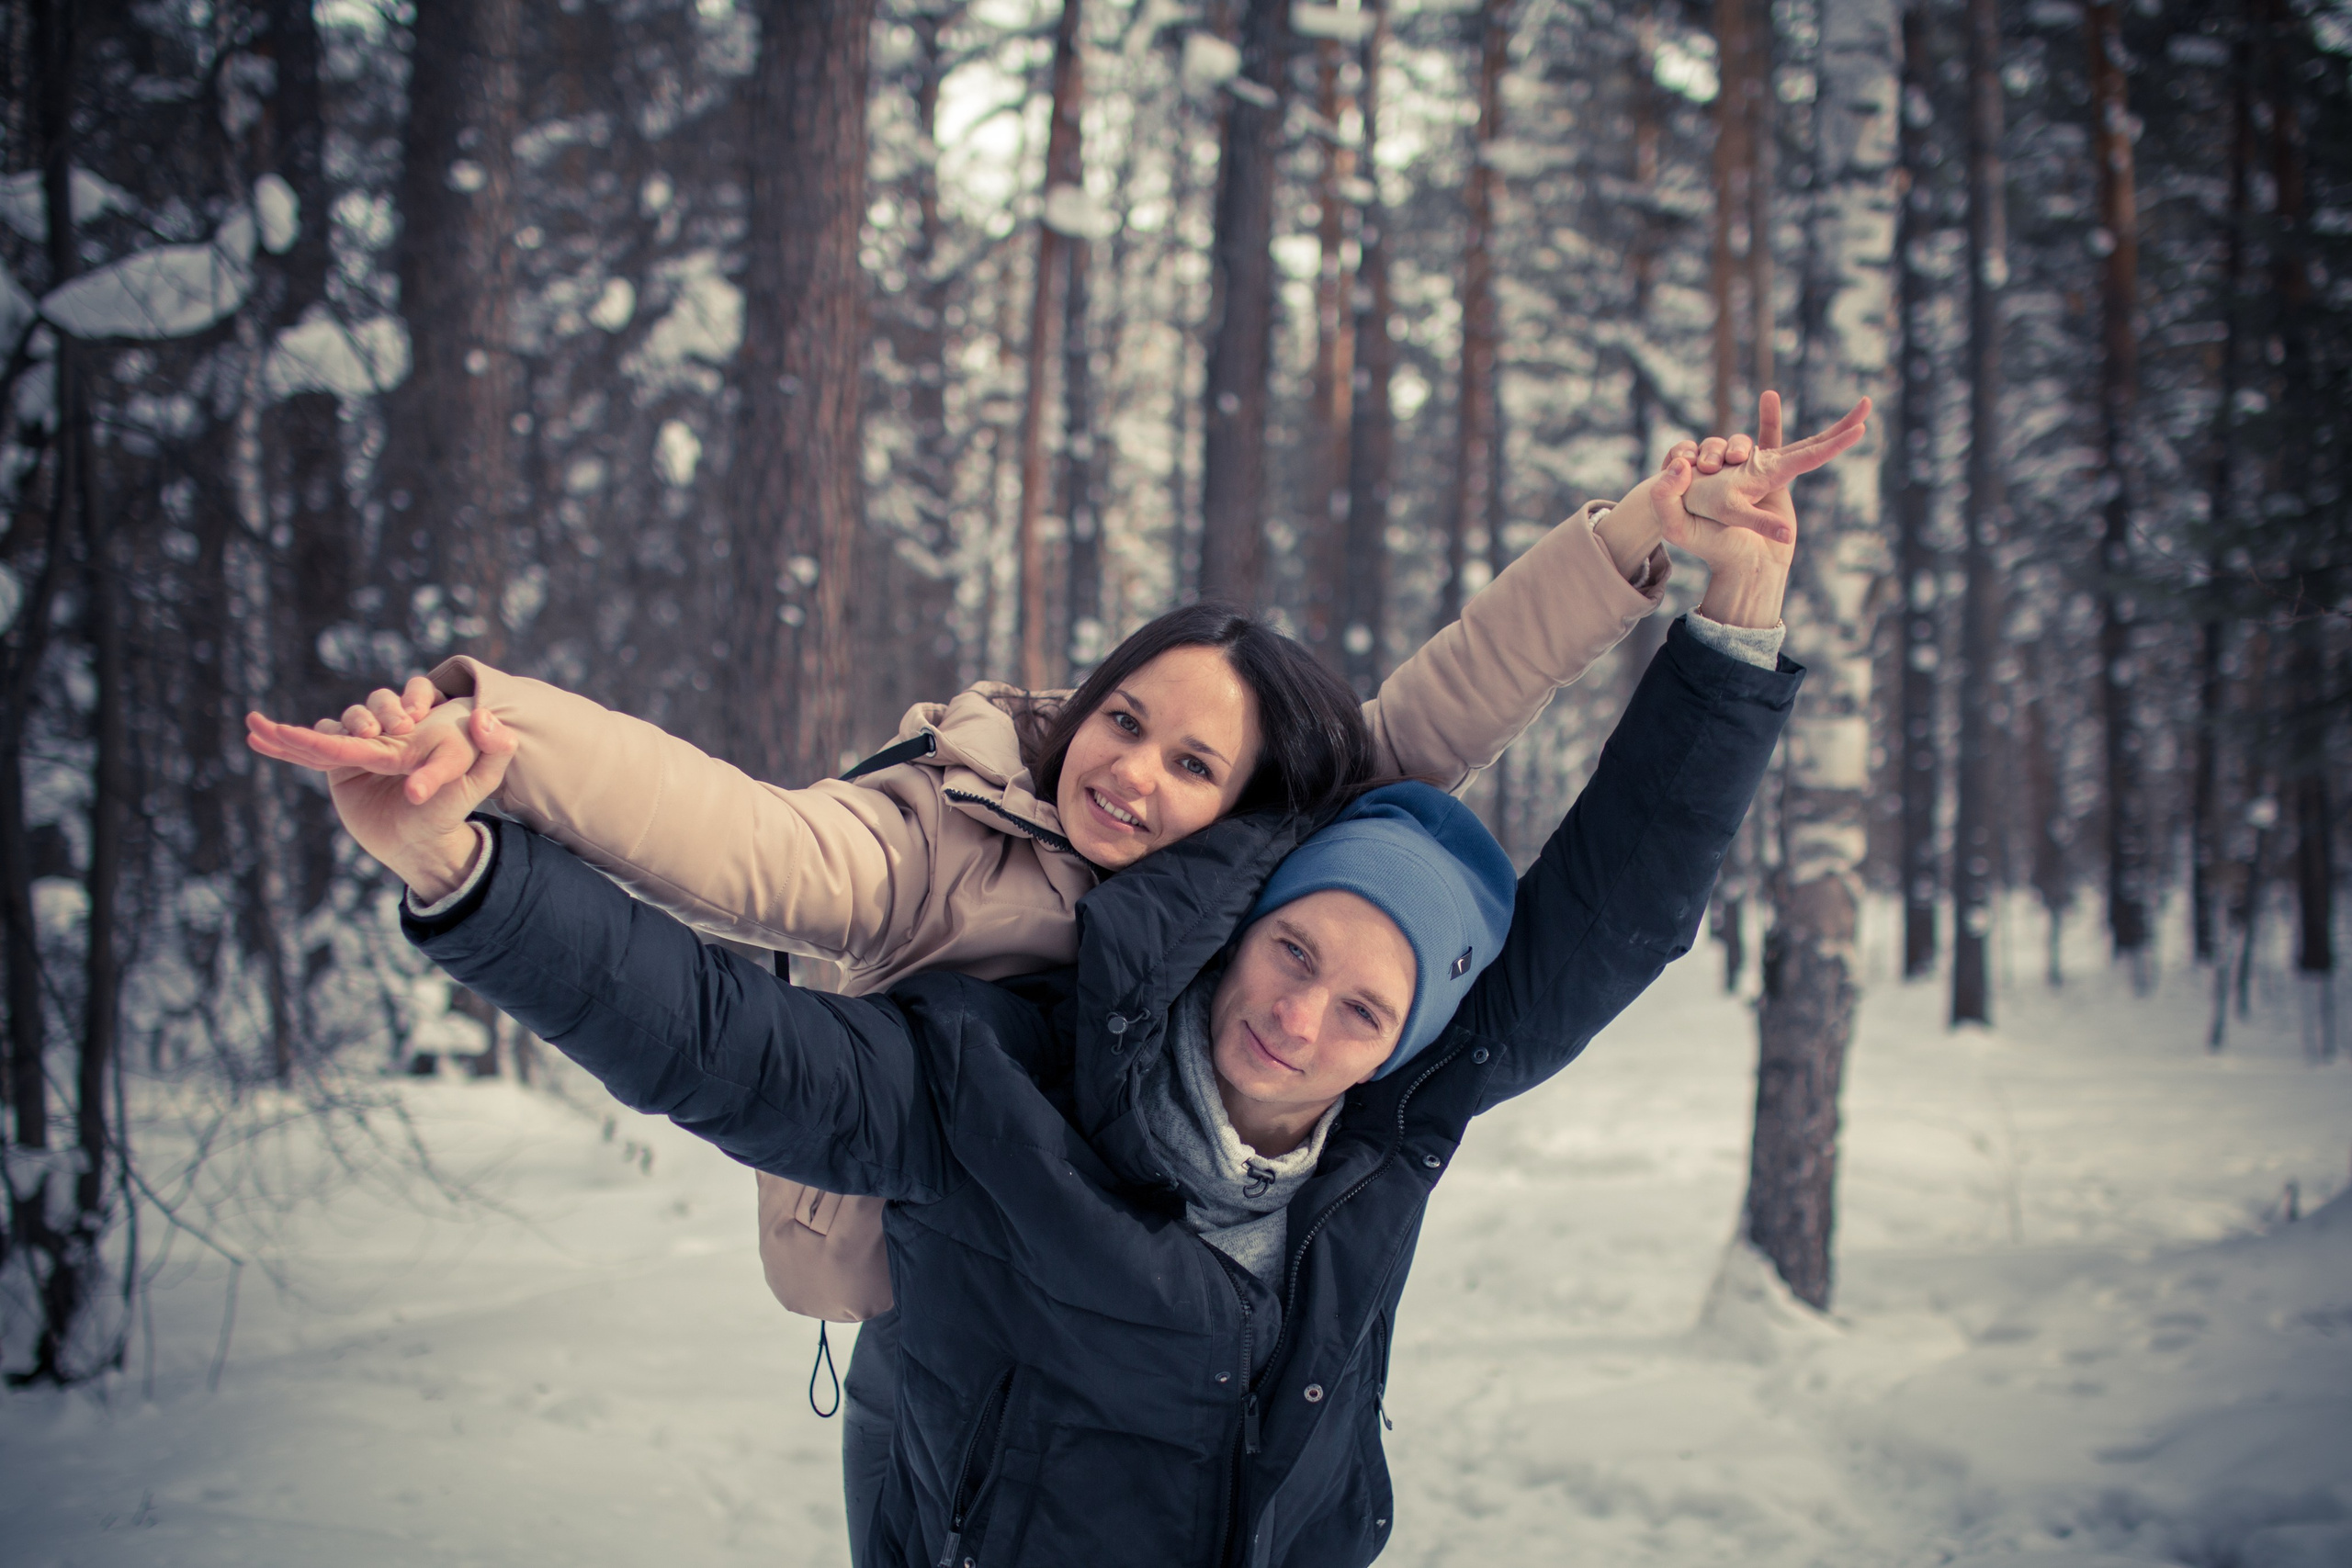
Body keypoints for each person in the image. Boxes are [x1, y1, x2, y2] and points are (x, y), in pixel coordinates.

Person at [247, 394, 1863, 1561]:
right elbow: (728, 1018)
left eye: (1362, 1009)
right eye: (1292, 956)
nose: (1301, 1019)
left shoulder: (1394, 1100)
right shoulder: (972, 1005)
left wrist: (1703, 581)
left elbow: (1567, 840)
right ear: (1241, 913)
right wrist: (471, 840)